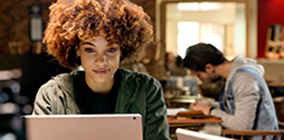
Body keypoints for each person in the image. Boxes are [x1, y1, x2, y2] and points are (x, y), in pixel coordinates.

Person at [31, 0, 170, 139]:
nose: (101, 61)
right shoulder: (52, 95)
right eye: (90, 50)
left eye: (111, 49)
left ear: (123, 50)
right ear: (77, 50)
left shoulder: (147, 90)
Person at [183, 43, 278, 138]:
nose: (200, 79)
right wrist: (208, 106)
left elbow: (242, 126)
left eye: (199, 75)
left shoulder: (243, 79)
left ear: (209, 68)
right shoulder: (231, 76)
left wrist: (210, 111)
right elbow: (235, 107)